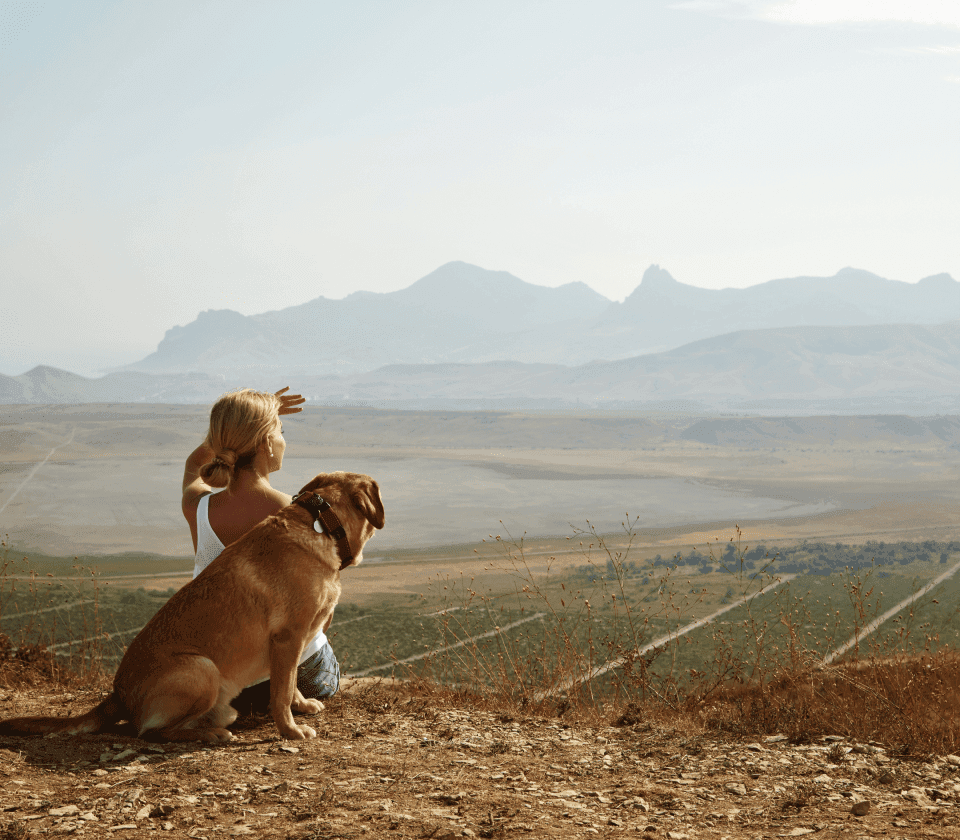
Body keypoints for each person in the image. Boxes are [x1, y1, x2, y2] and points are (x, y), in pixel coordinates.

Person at [181, 386, 340, 714]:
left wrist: (240, 422)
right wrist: (262, 413)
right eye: (280, 432)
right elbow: (316, 609)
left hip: (227, 682)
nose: (284, 441)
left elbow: (194, 462)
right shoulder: (289, 512)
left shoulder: (196, 505)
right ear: (267, 443)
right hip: (300, 677)